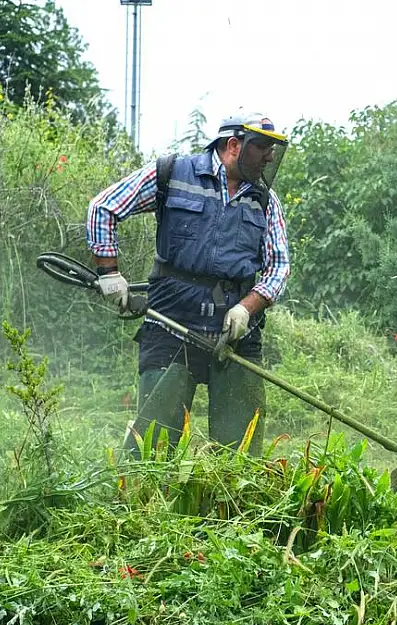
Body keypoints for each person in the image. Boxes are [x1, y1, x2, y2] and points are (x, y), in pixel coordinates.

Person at [85, 114, 291, 456]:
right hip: (170, 327)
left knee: (239, 457)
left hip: (235, 337)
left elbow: (279, 267)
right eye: (262, 148)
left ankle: (231, 508)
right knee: (152, 447)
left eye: (272, 149)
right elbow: (103, 208)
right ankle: (139, 504)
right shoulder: (171, 174)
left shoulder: (265, 201)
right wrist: (109, 273)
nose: (269, 156)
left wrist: (246, 308)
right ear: (233, 145)